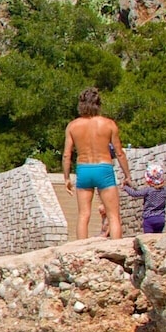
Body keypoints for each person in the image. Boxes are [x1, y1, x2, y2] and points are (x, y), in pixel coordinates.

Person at [63, 87, 133, 240]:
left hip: (84, 169)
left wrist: (66, 178)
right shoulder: (109, 124)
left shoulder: (73, 126)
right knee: (113, 215)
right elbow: (119, 153)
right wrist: (127, 175)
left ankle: (81, 249)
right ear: (98, 104)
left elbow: (67, 154)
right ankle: (117, 249)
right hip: (103, 168)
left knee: (83, 214)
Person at [121, 164, 166, 233]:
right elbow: (138, 191)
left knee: (148, 237)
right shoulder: (164, 190)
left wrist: (125, 187)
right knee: (158, 236)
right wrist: (131, 185)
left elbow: (135, 193)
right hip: (161, 218)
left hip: (149, 219)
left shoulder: (148, 190)